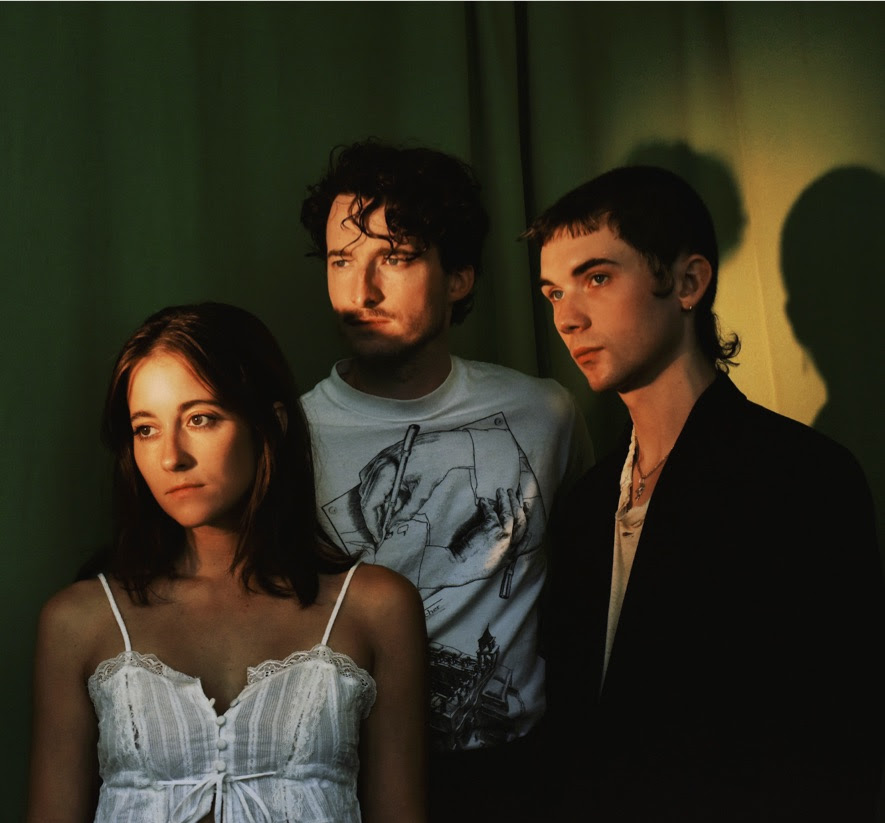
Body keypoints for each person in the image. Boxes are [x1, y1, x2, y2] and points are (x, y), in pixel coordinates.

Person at [525, 165, 885, 821]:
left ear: (688, 282)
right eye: (553, 292)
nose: (567, 318)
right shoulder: (585, 506)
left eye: (596, 278)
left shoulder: (801, 480)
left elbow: (831, 743)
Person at [26, 302, 428, 823]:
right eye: (145, 429)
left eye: (200, 419)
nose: (171, 456)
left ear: (270, 424)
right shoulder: (80, 620)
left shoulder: (374, 607)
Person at [299, 140, 594, 821]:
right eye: (341, 261)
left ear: (458, 277)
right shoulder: (290, 436)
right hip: (347, 779)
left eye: (394, 258)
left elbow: (584, 588)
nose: (360, 291)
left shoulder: (543, 414)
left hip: (518, 776)